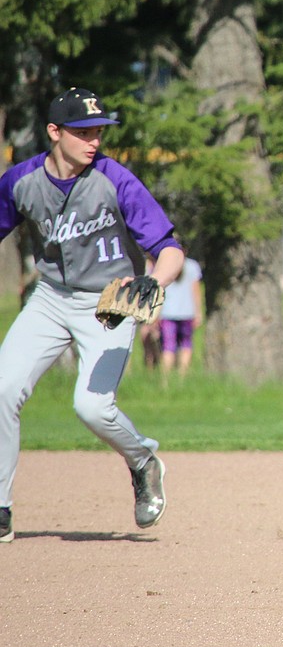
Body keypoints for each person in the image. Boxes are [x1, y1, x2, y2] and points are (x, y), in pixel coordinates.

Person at [0, 87, 184, 543]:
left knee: (92, 406)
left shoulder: (115, 180)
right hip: (49, 299)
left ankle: (143, 461)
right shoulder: (20, 182)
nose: (94, 140)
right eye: (83, 131)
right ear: (54, 132)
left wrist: (155, 281)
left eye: (98, 130)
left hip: (108, 304)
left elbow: (169, 249)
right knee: (2, 389)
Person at [159, 256, 203, 378]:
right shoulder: (192, 265)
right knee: (186, 345)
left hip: (167, 312)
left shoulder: (164, 263)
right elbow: (196, 290)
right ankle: (182, 377)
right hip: (187, 312)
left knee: (168, 346)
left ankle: (165, 380)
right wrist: (198, 312)